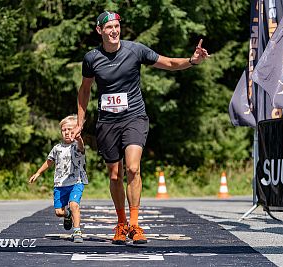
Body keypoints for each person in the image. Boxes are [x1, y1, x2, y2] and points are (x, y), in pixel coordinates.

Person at [71, 11, 209, 245]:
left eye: (116, 26)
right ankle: (121, 223)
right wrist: (80, 121)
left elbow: (169, 63)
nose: (114, 31)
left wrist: (192, 61)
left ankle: (135, 225)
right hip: (107, 121)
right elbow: (84, 90)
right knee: (115, 174)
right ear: (99, 31)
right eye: (109, 28)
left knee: (133, 168)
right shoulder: (91, 58)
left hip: (134, 116)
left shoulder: (135, 50)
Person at [29, 115, 88, 243]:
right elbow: (49, 162)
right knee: (58, 212)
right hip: (60, 184)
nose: (67, 132)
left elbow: (81, 146)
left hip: (76, 182)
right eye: (64, 130)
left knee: (74, 205)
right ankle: (67, 216)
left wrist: (78, 138)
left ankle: (77, 231)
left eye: (70, 129)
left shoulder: (77, 145)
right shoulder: (57, 148)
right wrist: (38, 173)